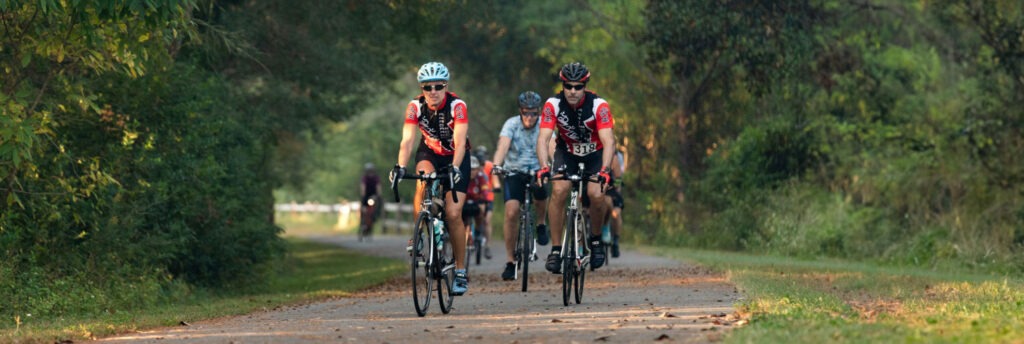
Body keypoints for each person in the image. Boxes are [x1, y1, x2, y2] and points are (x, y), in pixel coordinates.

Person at [390, 61, 473, 295]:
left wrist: (455, 167)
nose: (433, 91)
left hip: (456, 156)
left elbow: (459, 141)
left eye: (438, 86)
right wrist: (400, 166)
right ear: (422, 89)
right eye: (428, 87)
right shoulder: (415, 107)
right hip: (429, 153)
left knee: (454, 214)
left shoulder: (457, 106)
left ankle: (459, 271)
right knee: (422, 179)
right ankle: (418, 235)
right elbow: (407, 140)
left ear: (445, 86)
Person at [536, 62, 616, 273]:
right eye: (568, 86)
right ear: (562, 85)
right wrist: (544, 166)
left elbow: (609, 140)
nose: (572, 91)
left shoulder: (599, 105)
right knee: (559, 190)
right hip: (567, 152)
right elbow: (543, 139)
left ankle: (596, 240)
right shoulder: (552, 104)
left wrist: (605, 169)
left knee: (596, 195)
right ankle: (555, 249)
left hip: (595, 155)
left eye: (578, 86)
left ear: (585, 86)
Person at [492, 91, 550, 281]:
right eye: (526, 113)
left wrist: (554, 166)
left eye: (533, 113)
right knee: (511, 212)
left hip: (536, 170)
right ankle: (510, 261)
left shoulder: (544, 125)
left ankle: (541, 223)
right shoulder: (511, 124)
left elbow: (553, 145)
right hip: (514, 171)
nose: (530, 117)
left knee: (541, 192)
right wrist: (497, 165)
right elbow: (502, 146)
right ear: (520, 111)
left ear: (538, 112)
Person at [463, 156, 490, 257]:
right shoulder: (463, 177)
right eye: (471, 169)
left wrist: (485, 198)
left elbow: (485, 190)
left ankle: (478, 230)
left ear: (478, 169)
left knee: (482, 209)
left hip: (476, 202)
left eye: (474, 169)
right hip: (464, 203)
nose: (472, 172)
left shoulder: (480, 178)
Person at [473, 145, 497, 260]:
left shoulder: (490, 166)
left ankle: (487, 246)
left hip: (488, 196)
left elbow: (495, 180)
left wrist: (496, 186)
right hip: (476, 195)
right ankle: (471, 238)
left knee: (487, 221)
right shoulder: (472, 166)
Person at [603, 147, 625, 257]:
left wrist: (617, 188)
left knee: (616, 212)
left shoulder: (616, 156)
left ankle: (615, 241)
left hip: (610, 188)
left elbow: (618, 178)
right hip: (595, 187)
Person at [360, 162, 383, 239]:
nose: (370, 172)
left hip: (373, 196)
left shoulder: (376, 178)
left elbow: (378, 187)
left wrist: (378, 195)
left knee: (379, 203)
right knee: (363, 207)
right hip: (366, 195)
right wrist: (363, 195)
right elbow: (363, 187)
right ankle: (362, 219)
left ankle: (376, 215)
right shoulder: (364, 178)